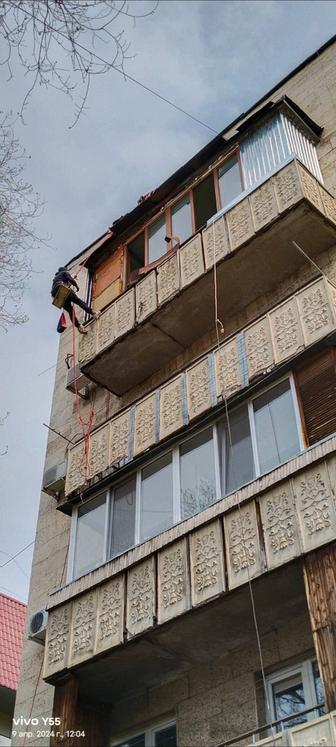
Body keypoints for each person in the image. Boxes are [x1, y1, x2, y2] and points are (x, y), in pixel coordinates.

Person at [51, 267, 98, 334]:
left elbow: (65, 283)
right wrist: (76, 286)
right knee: (79, 302)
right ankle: (93, 313)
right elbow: (70, 279)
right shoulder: (64, 272)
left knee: (71, 312)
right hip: (63, 289)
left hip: (59, 296)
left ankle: (79, 326)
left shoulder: (55, 278)